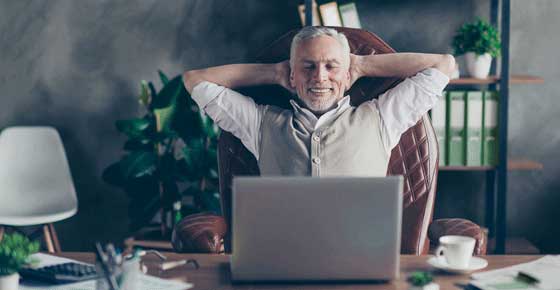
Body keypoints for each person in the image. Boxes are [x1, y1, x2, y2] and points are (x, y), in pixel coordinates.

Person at [182, 26, 455, 177]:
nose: (319, 77)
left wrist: (359, 66)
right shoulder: (259, 123)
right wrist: (276, 72)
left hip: (360, 260)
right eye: (308, 67)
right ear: (292, 74)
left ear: (346, 74)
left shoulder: (382, 118)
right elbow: (195, 81)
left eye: (331, 66)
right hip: (283, 261)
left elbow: (443, 65)